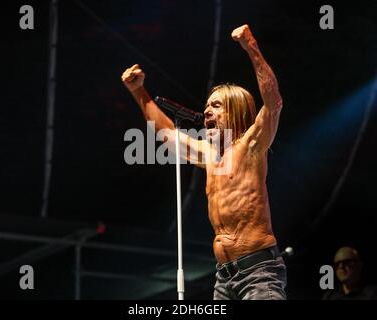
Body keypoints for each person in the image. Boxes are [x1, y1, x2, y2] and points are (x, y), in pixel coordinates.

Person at [121, 24, 286, 300]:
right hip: (223, 276)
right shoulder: (209, 155)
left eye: (217, 105)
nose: (207, 110)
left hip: (258, 271)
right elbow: (168, 135)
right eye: (207, 106)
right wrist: (139, 91)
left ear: (235, 110)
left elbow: (274, 104)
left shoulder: (252, 146)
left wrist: (251, 47)